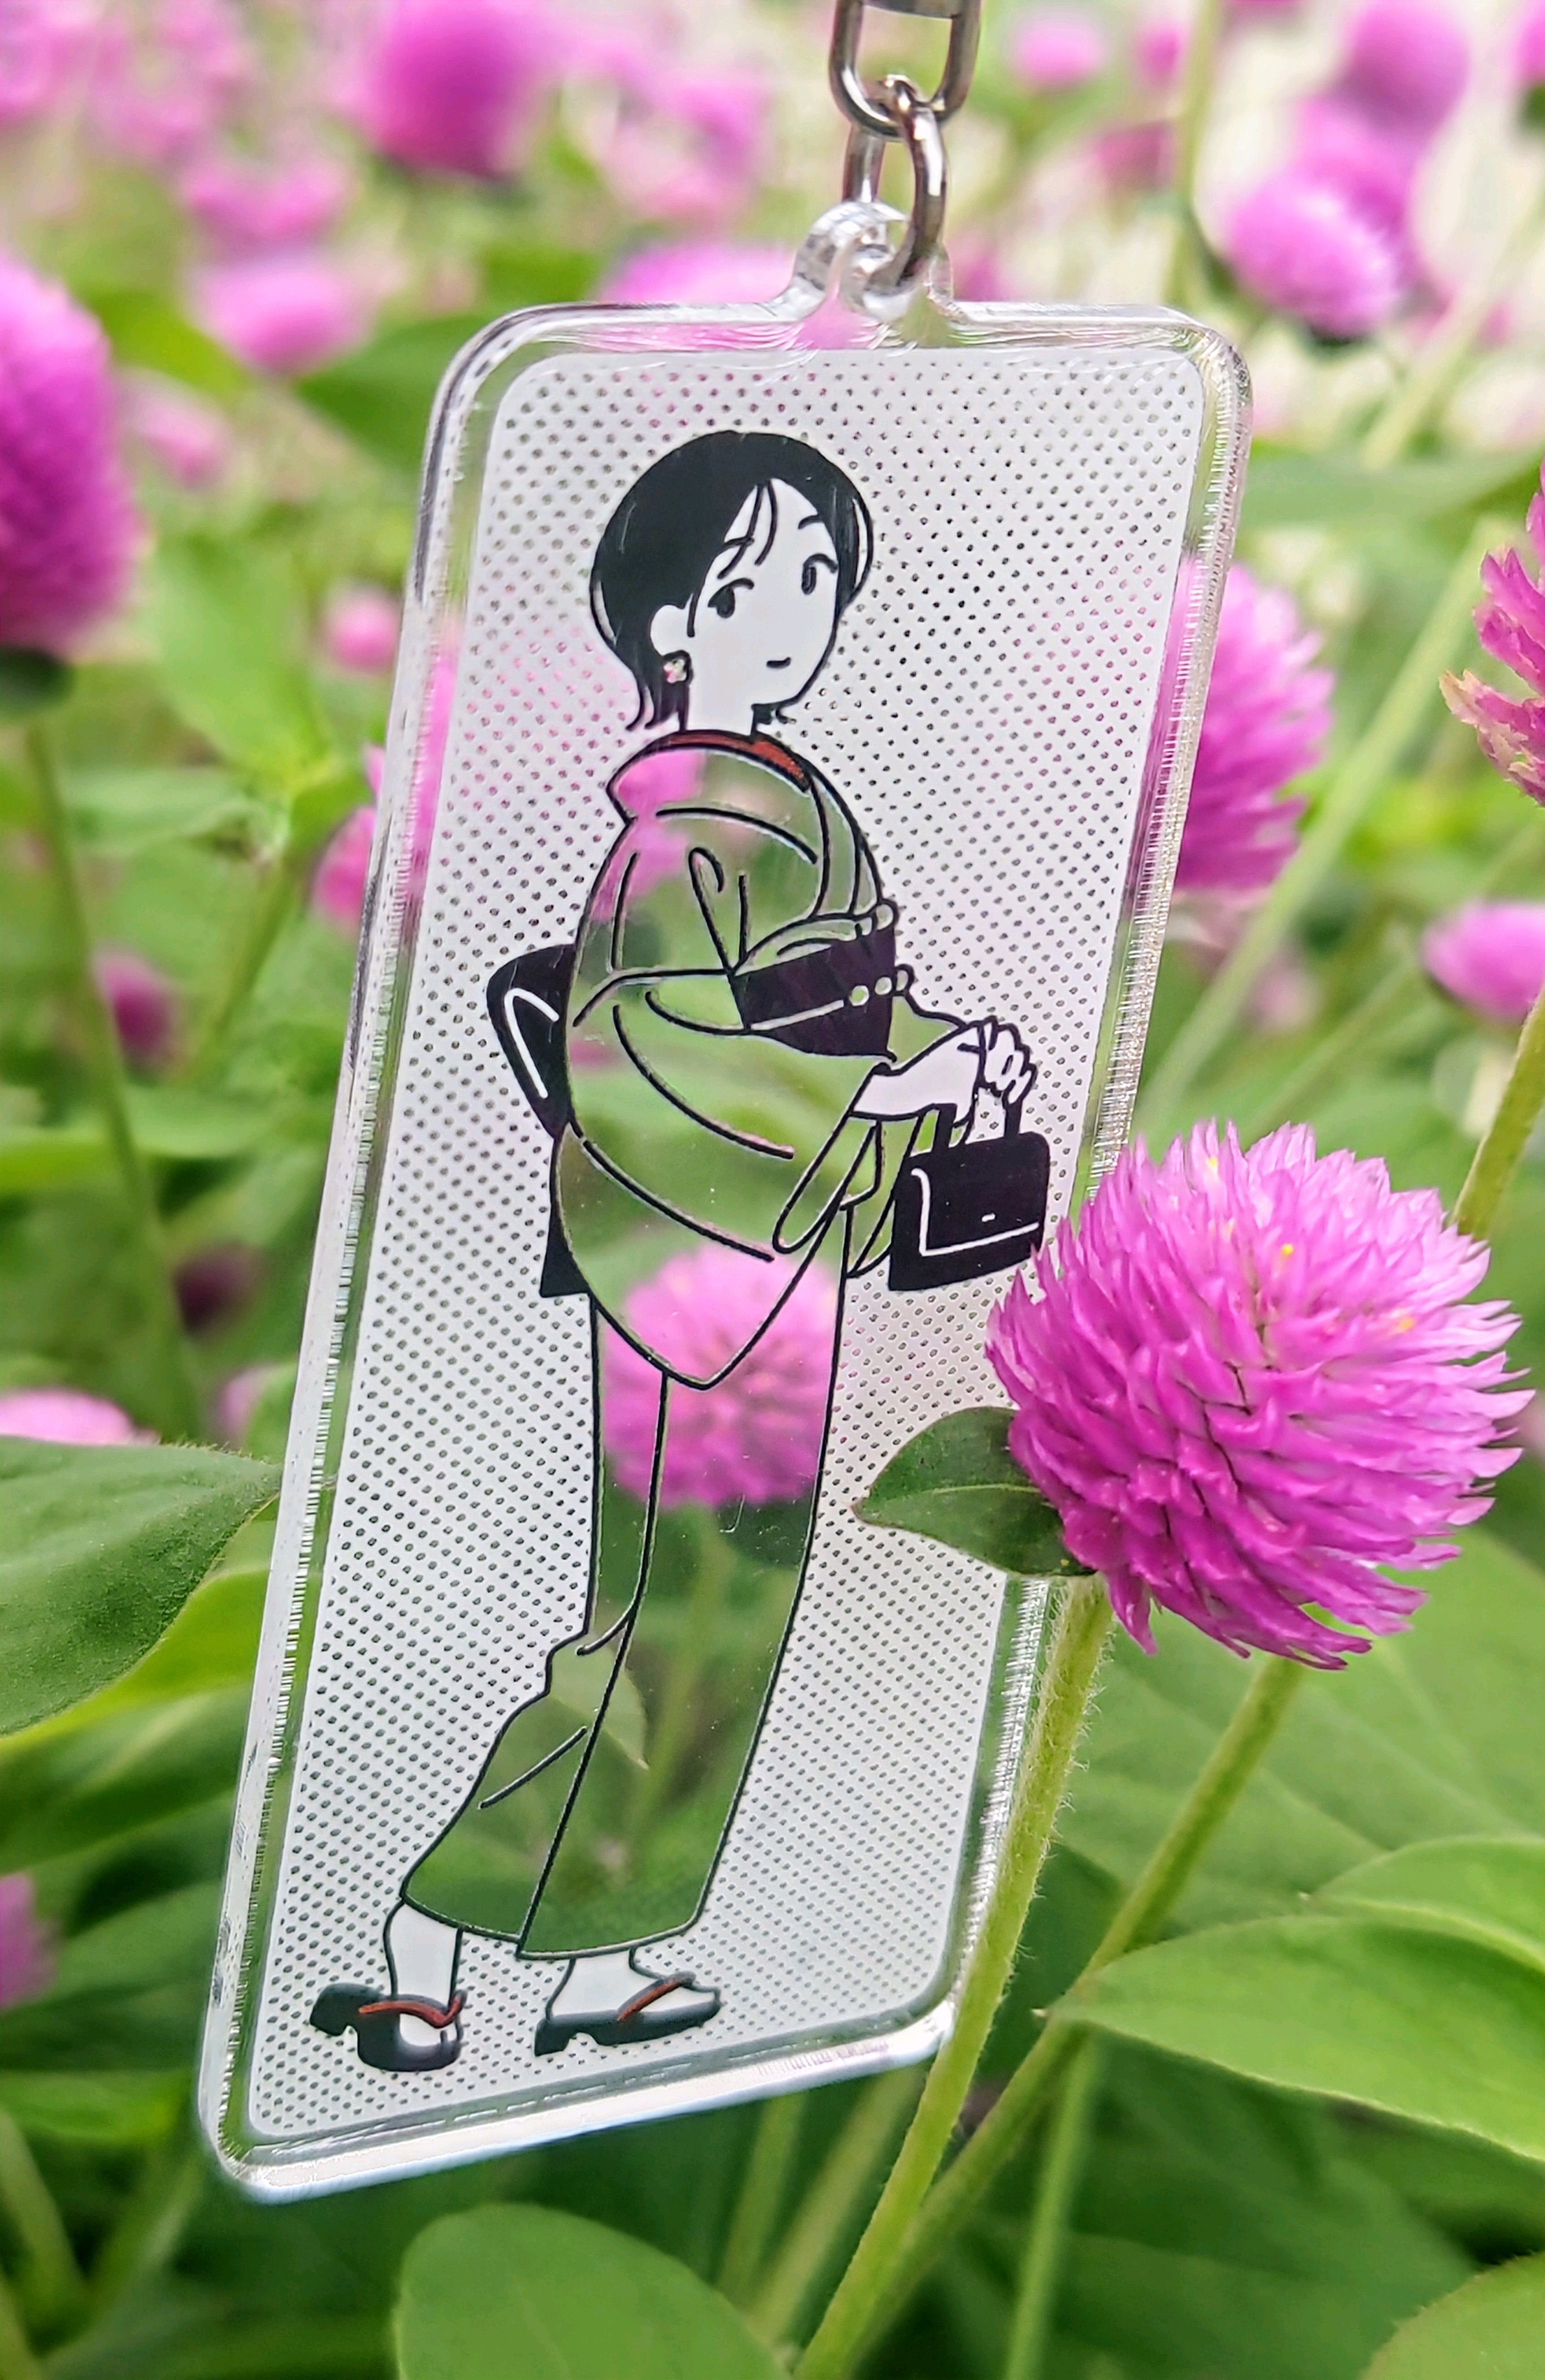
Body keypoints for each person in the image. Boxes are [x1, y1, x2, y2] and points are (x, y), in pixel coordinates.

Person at [312, 431, 1033, 2073]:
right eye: (750, 582)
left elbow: (848, 997)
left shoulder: (799, 808)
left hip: (792, 1244)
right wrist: (868, 1089)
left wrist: (941, 1049)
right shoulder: (673, 840)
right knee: (646, 1619)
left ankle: (606, 1952)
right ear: (668, 626)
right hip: (689, 1261)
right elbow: (640, 1051)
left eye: (818, 577)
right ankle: (425, 1928)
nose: (795, 611)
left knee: (734, 1616)